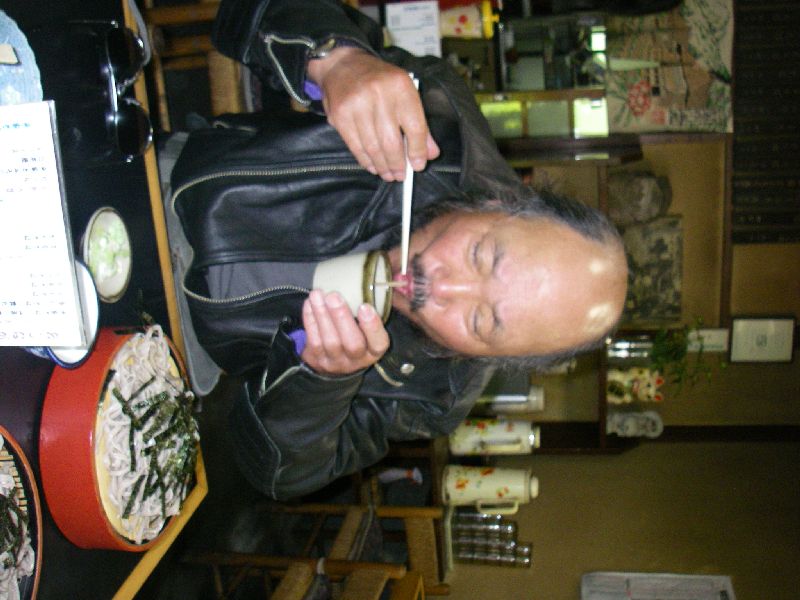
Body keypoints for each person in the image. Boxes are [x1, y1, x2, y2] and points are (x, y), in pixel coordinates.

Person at [170, 0, 628, 500]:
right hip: (162, 189)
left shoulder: (435, 395)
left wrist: (323, 381)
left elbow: (274, 474)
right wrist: (335, 59)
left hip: (172, 348)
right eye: (480, 256)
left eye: (480, 321)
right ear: (501, 202)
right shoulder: (440, 118)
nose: (443, 287)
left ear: (491, 358)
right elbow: (241, 13)